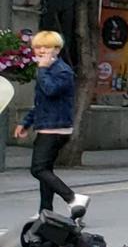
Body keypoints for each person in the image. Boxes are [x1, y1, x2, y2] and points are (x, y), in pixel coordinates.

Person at [12, 31, 78, 213]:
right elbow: (42, 102)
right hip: (47, 125)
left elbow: (50, 91)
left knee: (38, 169)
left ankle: (72, 198)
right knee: (45, 170)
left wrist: (41, 69)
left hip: (56, 128)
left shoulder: (61, 71)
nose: (42, 51)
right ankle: (45, 210)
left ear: (57, 49)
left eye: (47, 47)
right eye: (38, 47)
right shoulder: (48, 70)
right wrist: (25, 123)